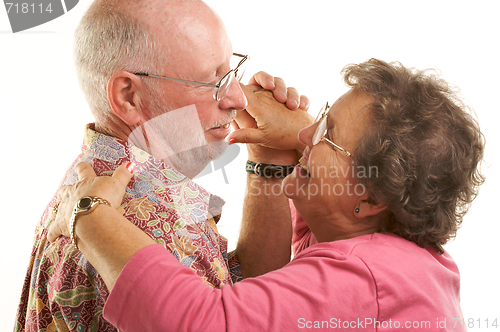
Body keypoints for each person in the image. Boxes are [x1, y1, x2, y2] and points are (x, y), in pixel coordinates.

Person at [48, 58, 484, 331]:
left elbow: (197, 325)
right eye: (324, 114)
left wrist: (91, 214)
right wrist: (275, 153)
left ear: (372, 198)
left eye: (327, 132)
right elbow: (263, 299)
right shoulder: (380, 246)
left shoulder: (365, 279)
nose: (307, 130)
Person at [14, 0, 313, 331]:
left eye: (231, 70)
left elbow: (235, 298)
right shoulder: (158, 230)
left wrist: (267, 156)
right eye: (212, 81)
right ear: (128, 96)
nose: (238, 99)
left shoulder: (93, 171)